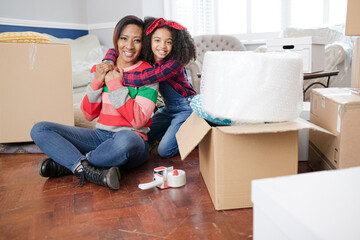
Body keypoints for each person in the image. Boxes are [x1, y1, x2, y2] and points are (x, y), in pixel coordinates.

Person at [30, 15, 159, 190]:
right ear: (116, 39)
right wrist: (97, 81)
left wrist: (115, 85)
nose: (129, 46)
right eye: (124, 38)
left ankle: (71, 163)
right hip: (100, 137)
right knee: (40, 129)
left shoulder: (148, 75)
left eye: (136, 40)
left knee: (126, 139)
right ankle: (87, 169)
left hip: (132, 140)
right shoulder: (101, 69)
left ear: (143, 44)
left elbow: (139, 121)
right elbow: (88, 114)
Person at [103, 17, 196, 158]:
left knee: (164, 151)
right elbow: (114, 50)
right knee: (145, 137)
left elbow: (143, 78)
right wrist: (109, 60)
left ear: (176, 45)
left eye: (168, 42)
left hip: (186, 108)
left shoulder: (174, 64)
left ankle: (194, 134)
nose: (162, 46)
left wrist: (117, 77)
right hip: (169, 108)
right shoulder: (150, 58)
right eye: (157, 40)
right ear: (149, 41)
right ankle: (174, 131)